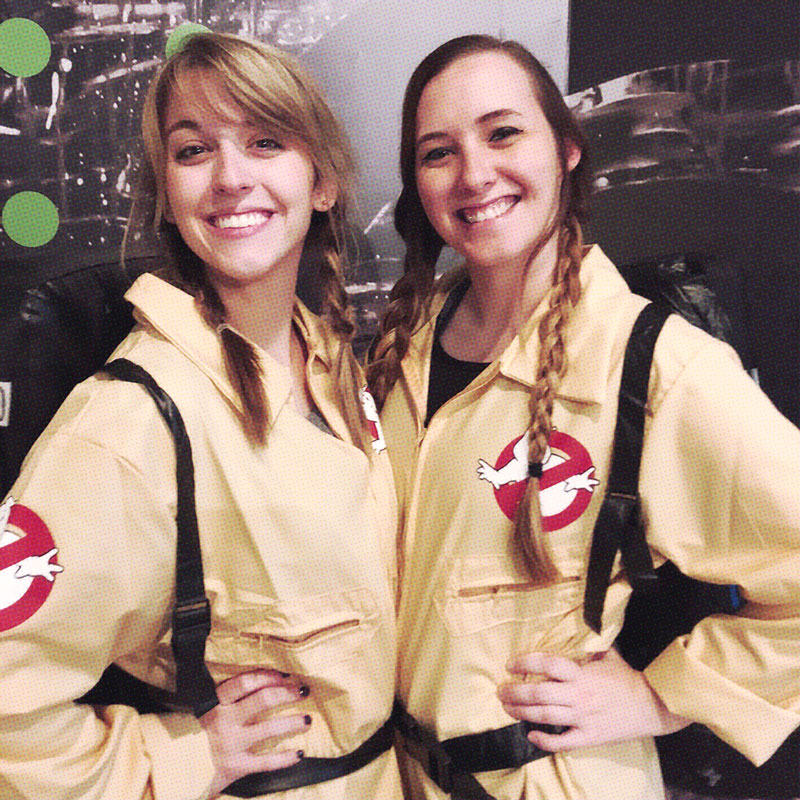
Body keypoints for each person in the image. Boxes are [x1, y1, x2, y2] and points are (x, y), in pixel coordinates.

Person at [367, 34, 800, 800]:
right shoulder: (395, 353)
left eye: (504, 133)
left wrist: (661, 698)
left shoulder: (653, 366)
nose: (474, 174)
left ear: (567, 150)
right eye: (438, 153)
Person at [0, 32, 401, 800]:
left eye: (264, 141)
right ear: (167, 195)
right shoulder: (129, 421)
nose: (229, 177)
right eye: (193, 152)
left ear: (321, 183)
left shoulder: (338, 368)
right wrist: (180, 758)